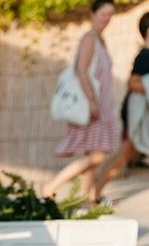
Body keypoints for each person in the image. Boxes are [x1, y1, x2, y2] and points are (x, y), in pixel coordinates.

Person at [43, 0, 119, 201]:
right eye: (104, 14)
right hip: (92, 105)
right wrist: (92, 101)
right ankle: (51, 186)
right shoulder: (89, 39)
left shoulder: (100, 40)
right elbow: (81, 70)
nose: (107, 19)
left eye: (110, 15)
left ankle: (85, 200)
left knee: (93, 154)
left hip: (101, 105)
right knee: (97, 155)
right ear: (92, 14)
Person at [91, 11, 149, 202]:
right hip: (137, 117)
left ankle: (94, 193)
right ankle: (93, 194)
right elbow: (132, 83)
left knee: (123, 156)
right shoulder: (145, 56)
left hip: (143, 116)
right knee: (122, 156)